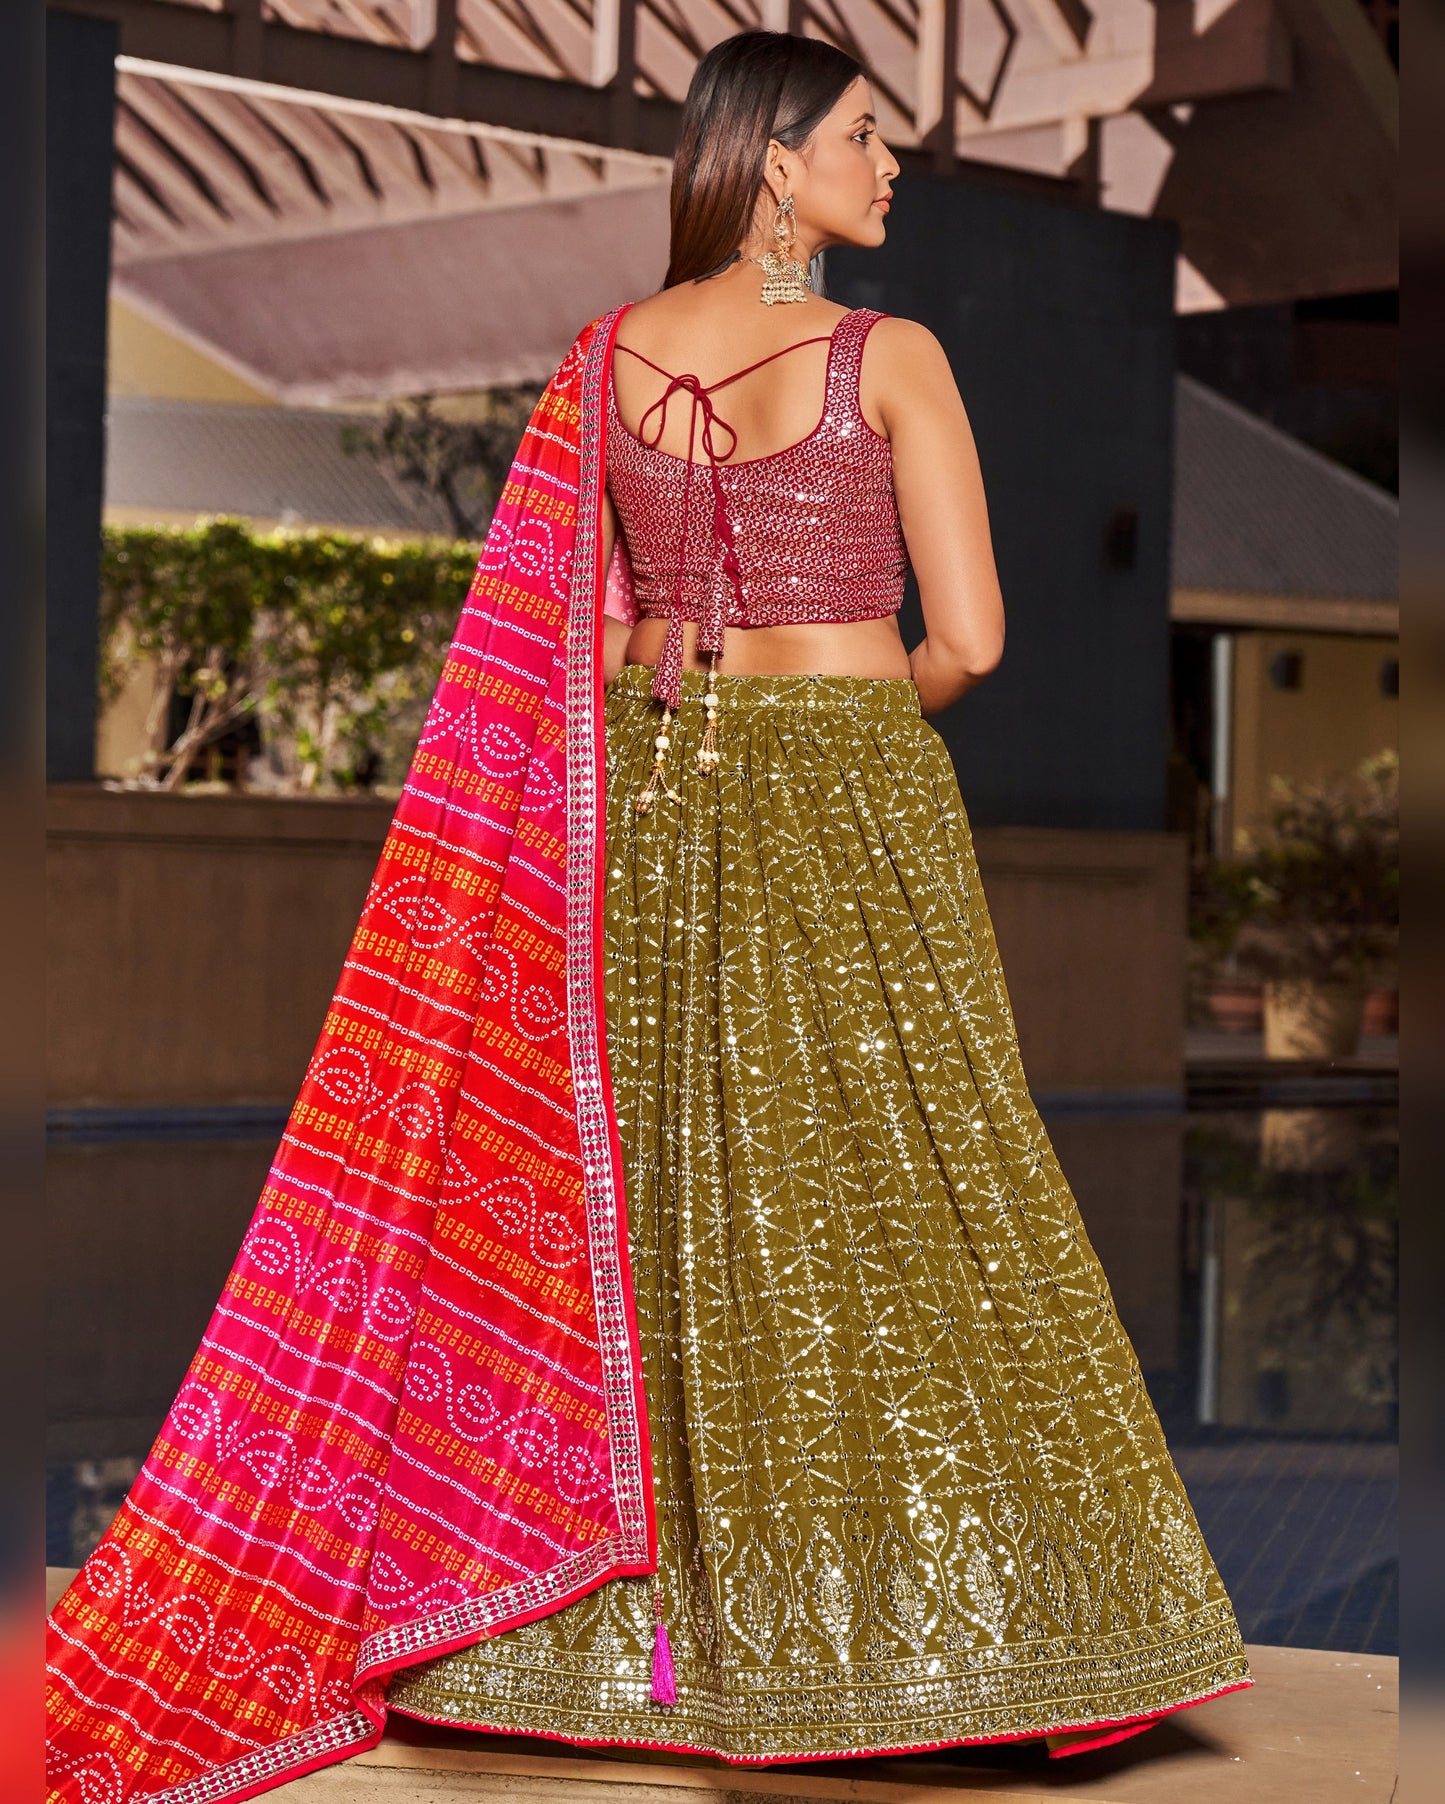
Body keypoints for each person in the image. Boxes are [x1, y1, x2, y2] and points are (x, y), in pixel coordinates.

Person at [45, 31, 1249, 1803]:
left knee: (662, 1209)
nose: (887, 166)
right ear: (773, 164)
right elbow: (974, 640)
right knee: (912, 1179)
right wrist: (853, 707)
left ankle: (628, 1650)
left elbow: (572, 635)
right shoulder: (885, 355)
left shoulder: (602, 360)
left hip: (656, 808)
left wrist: (682, 671)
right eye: (861, 137)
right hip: (844, 794)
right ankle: (935, 1640)